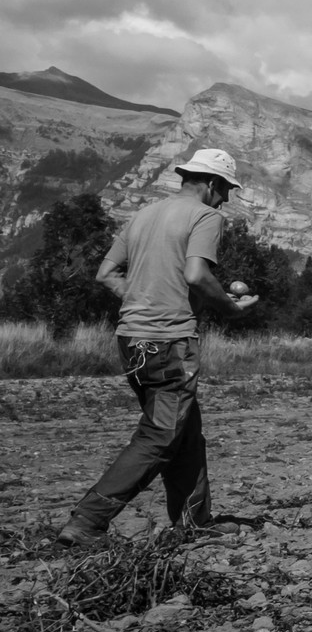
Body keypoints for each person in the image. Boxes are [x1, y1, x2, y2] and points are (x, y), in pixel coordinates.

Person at [55, 147, 259, 548]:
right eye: (226, 190)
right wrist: (231, 311)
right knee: (161, 435)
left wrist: (143, 296)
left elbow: (105, 273)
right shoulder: (205, 216)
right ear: (213, 184)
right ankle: (88, 521)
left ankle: (194, 522)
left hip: (130, 339)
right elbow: (197, 274)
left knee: (185, 432)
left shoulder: (143, 215)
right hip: (169, 343)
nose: (227, 199)